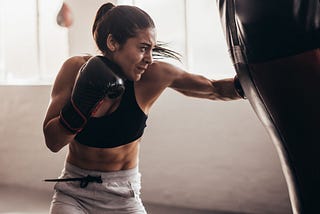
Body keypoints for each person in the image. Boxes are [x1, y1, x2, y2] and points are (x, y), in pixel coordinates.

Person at [43, 3, 245, 214]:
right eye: (142, 48)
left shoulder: (154, 76)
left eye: (152, 49)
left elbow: (213, 89)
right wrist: (82, 104)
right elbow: (53, 142)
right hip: (74, 193)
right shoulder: (74, 69)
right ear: (113, 42)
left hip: (123, 196)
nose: (149, 59)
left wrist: (255, 82)